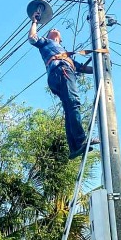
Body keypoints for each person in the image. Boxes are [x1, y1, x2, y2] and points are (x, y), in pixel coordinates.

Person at [29, 14, 97, 160]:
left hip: (61, 74)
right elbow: (32, 38)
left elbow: (83, 69)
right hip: (61, 72)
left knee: (70, 108)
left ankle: (74, 147)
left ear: (60, 39)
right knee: (73, 103)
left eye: (56, 29)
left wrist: (101, 66)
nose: (54, 28)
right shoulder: (47, 43)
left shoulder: (67, 56)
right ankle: (80, 141)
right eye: (51, 29)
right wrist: (34, 21)